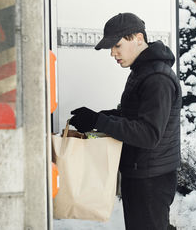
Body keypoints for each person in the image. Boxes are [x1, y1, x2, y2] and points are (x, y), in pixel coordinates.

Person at [69, 12, 181, 230]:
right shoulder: (142, 72)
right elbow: (133, 117)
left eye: (117, 45)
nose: (113, 53)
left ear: (138, 38)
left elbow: (148, 134)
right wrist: (96, 116)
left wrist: (99, 120)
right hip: (141, 172)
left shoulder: (158, 78)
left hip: (151, 178)